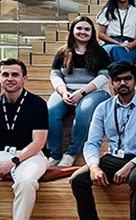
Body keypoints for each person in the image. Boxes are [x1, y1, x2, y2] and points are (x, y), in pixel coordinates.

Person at [71, 61, 136, 220]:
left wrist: (130, 166)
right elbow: (92, 143)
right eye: (117, 79)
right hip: (112, 157)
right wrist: (94, 166)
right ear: (112, 83)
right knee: (77, 179)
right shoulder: (103, 108)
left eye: (127, 79)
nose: (122, 83)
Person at [0, 58, 48, 220]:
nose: (10, 78)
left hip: (31, 155)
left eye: (15, 74)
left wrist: (12, 162)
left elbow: (38, 142)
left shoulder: (37, 104)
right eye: (5, 74)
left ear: (24, 79)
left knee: (26, 183)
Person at [47, 16, 112, 166]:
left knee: (83, 113)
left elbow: (103, 77)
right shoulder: (62, 52)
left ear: (92, 32)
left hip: (94, 92)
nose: (83, 32)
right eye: (79, 28)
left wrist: (81, 93)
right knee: (50, 112)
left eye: (87, 29)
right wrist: (64, 92)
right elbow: (55, 75)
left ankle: (71, 153)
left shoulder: (100, 52)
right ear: (72, 31)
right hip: (66, 89)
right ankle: (55, 154)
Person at [96, 0, 136, 66]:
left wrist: (129, 46)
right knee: (116, 50)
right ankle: (131, 76)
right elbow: (101, 34)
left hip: (130, 46)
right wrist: (118, 44)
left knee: (120, 55)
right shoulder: (107, 11)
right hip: (110, 44)